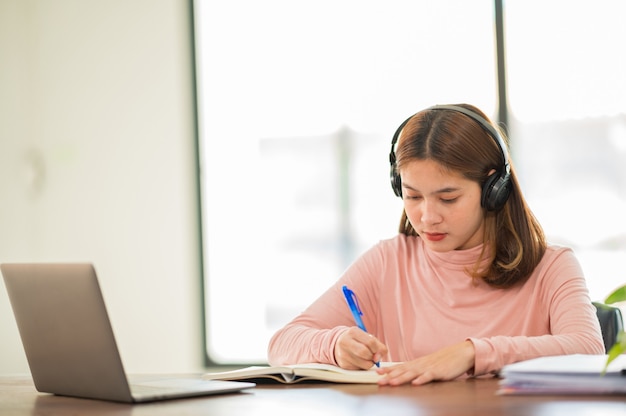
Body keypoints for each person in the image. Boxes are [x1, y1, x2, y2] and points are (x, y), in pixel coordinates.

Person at [267, 104, 605, 386]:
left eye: (448, 198)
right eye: (413, 196)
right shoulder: (388, 261)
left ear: (494, 189)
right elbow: (283, 343)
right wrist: (335, 344)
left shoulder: (552, 265)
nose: (427, 217)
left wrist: (472, 353)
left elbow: (588, 349)